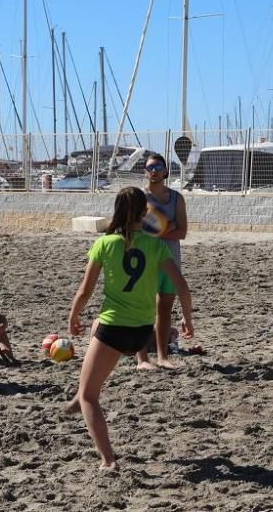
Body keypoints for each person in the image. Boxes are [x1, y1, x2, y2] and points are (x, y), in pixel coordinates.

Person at [65, 187, 195, 469]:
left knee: (90, 396)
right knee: (96, 323)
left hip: (115, 330)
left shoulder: (105, 243)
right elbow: (182, 286)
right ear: (143, 213)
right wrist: (188, 319)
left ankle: (108, 460)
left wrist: (74, 315)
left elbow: (85, 290)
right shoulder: (156, 244)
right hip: (142, 332)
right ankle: (81, 389)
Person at [135, 153, 189, 370]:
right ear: (145, 172)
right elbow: (137, 228)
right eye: (150, 167)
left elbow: (182, 232)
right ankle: (142, 359)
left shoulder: (177, 198)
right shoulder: (138, 197)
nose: (154, 170)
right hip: (144, 259)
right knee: (143, 309)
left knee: (165, 308)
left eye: (158, 166)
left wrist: (158, 229)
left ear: (166, 171)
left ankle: (162, 356)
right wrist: (169, 226)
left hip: (169, 259)